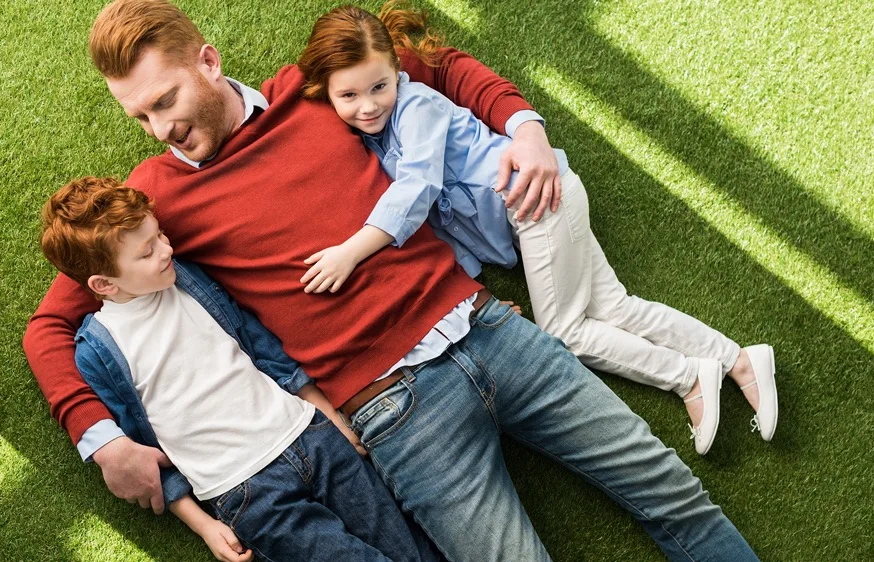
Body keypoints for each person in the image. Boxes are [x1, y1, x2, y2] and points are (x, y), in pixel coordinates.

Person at [24, 0, 760, 559]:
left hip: (492, 329)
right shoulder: (154, 200)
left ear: (209, 64)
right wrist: (102, 440)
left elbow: (436, 67)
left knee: (674, 496)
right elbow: (53, 324)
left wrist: (528, 131)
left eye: (165, 102)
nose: (158, 129)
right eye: (139, 116)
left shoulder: (312, 92)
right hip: (394, 413)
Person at [294, 4, 778, 455]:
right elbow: (444, 231)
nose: (368, 105)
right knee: (614, 307)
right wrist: (466, 298)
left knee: (564, 332)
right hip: (539, 208)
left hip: (537, 199)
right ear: (326, 94)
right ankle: (738, 360)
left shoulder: (415, 107)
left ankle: (689, 377)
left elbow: (417, 191)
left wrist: (351, 251)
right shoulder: (374, 143)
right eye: (349, 95)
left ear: (397, 72)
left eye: (379, 86)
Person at [40, 176, 438, 562]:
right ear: (104, 284)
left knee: (412, 550)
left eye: (159, 235)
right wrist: (203, 524)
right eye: (146, 253)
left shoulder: (190, 281)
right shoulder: (98, 350)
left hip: (311, 436)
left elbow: (263, 349)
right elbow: (145, 451)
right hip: (245, 489)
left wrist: (327, 415)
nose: (166, 250)